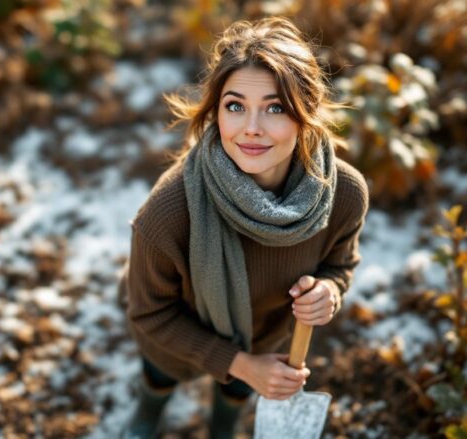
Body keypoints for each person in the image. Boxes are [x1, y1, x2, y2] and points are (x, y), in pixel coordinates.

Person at [118, 16, 369, 439]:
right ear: (215, 112)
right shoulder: (167, 214)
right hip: (179, 335)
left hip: (265, 336)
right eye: (235, 106)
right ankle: (149, 407)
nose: (251, 127)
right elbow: (150, 314)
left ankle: (225, 422)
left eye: (275, 108)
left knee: (235, 392)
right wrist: (239, 363)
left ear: (306, 114)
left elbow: (339, 266)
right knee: (161, 374)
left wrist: (329, 292)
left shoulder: (343, 192)